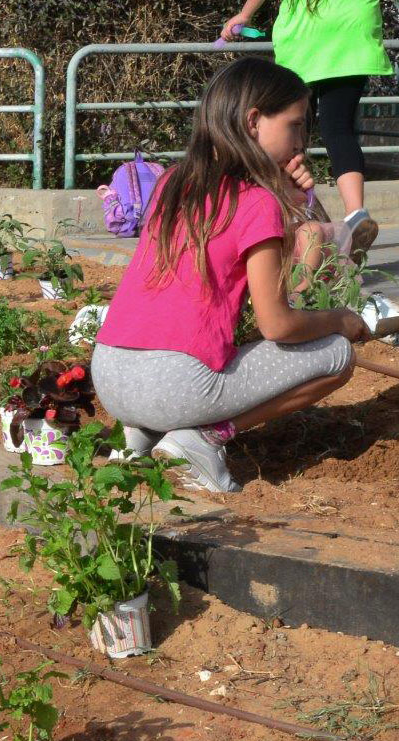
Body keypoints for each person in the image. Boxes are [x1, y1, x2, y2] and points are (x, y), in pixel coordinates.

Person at [92, 58, 369, 493]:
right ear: (254, 121)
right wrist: (340, 319)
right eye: (295, 126)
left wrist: (290, 200)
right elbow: (279, 320)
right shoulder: (259, 203)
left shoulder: (172, 182)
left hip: (109, 374)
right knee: (337, 355)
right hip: (174, 384)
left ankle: (140, 435)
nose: (302, 141)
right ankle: (202, 438)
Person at [221, 0, 390, 261]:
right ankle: (355, 213)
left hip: (305, 36)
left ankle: (292, 215)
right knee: (339, 128)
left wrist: (244, 14)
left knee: (292, 133)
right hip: (350, 29)